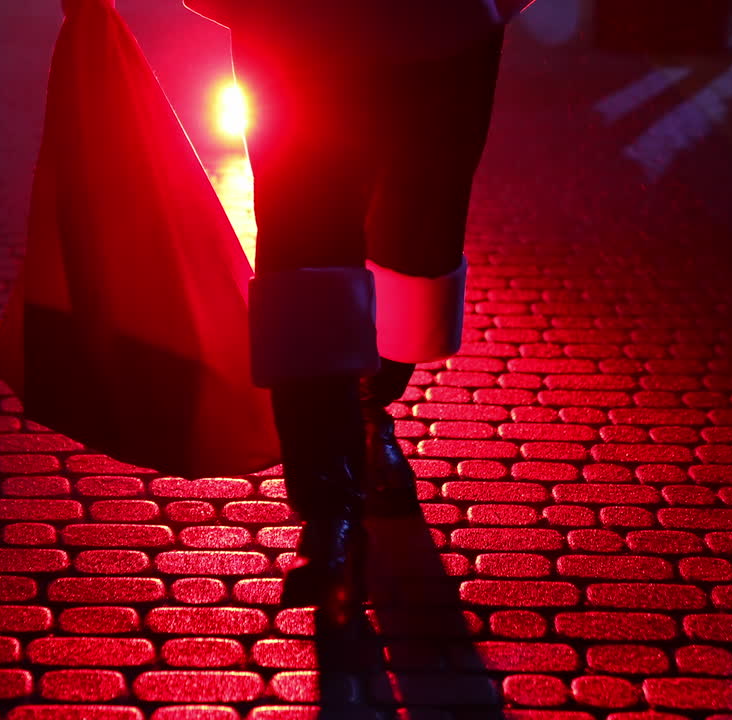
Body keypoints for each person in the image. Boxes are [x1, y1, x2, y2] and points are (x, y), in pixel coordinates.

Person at [183, 0, 533, 630]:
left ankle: (371, 406)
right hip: (296, 22)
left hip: (446, 22)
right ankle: (329, 499)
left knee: (418, 228)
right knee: (303, 237)